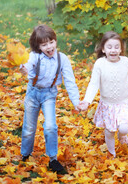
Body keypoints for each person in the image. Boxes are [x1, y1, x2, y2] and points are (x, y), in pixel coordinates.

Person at [20, 24, 83, 174]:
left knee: (50, 126)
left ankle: (53, 160)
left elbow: (70, 81)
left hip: (49, 94)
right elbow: (29, 66)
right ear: (38, 46)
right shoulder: (35, 56)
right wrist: (25, 70)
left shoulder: (63, 59)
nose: (49, 47)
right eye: (44, 44)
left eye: (51, 42)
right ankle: (25, 154)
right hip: (33, 94)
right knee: (29, 128)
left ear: (55, 41)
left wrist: (76, 102)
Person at [78, 31, 128, 158]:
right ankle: (111, 152)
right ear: (103, 49)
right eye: (109, 47)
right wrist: (87, 101)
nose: (113, 50)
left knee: (124, 128)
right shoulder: (100, 64)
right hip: (107, 105)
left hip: (124, 103)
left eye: (116, 47)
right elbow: (93, 84)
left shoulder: (125, 62)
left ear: (121, 49)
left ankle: (123, 136)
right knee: (109, 131)